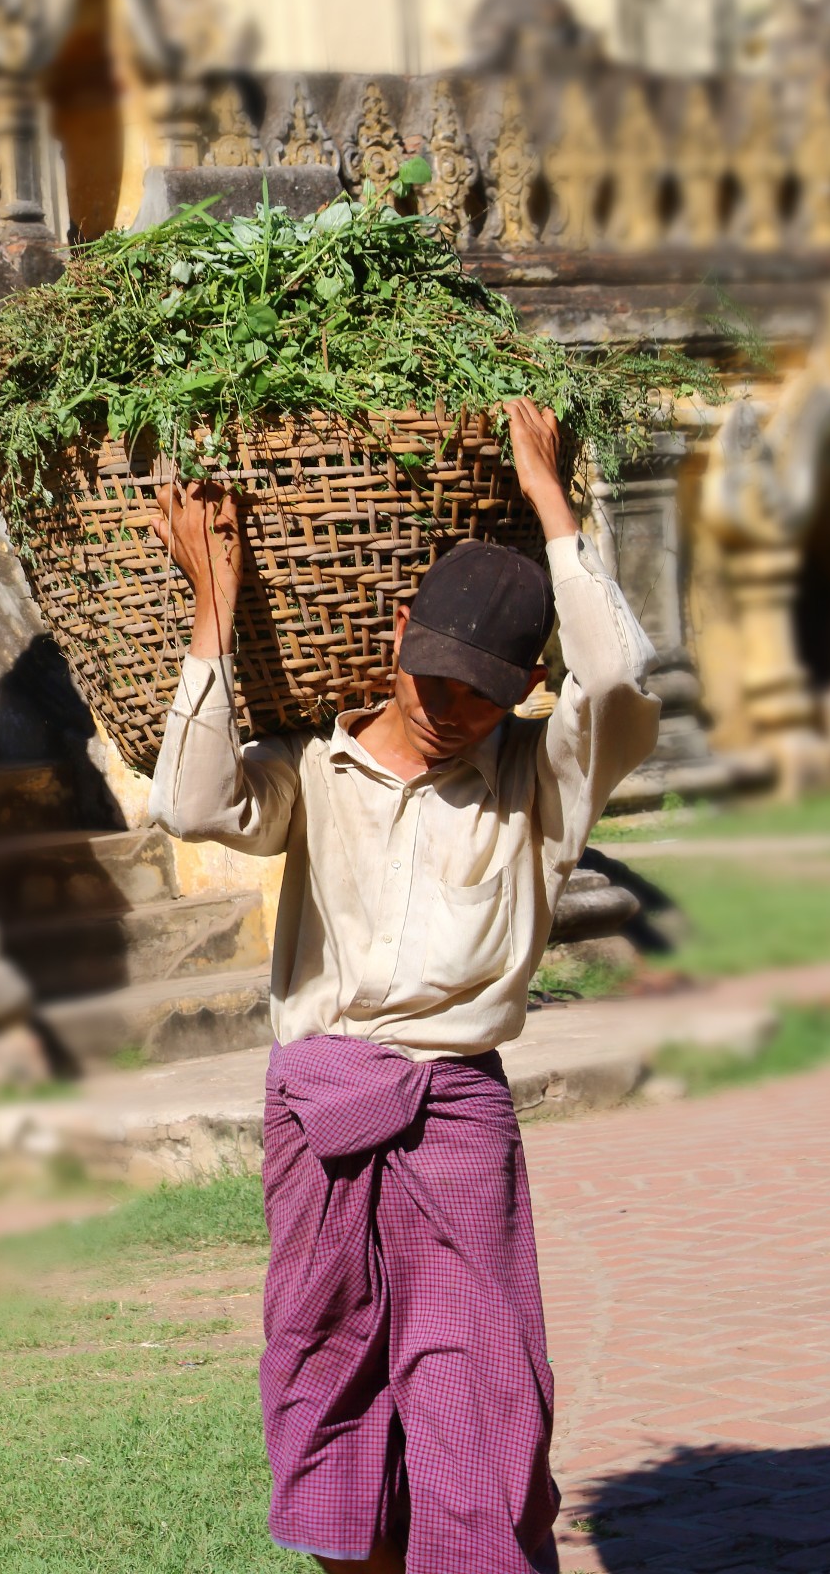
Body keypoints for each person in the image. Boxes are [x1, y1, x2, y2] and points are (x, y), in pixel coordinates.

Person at [147, 398, 660, 1574]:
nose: (450, 707)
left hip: (456, 1113)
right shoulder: (310, 770)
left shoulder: (540, 784)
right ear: (394, 634)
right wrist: (212, 607)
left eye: (483, 690)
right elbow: (190, 802)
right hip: (318, 1104)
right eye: (434, 675)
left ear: (528, 684)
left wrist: (548, 500)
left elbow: (622, 678)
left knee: (479, 1381)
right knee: (327, 1368)